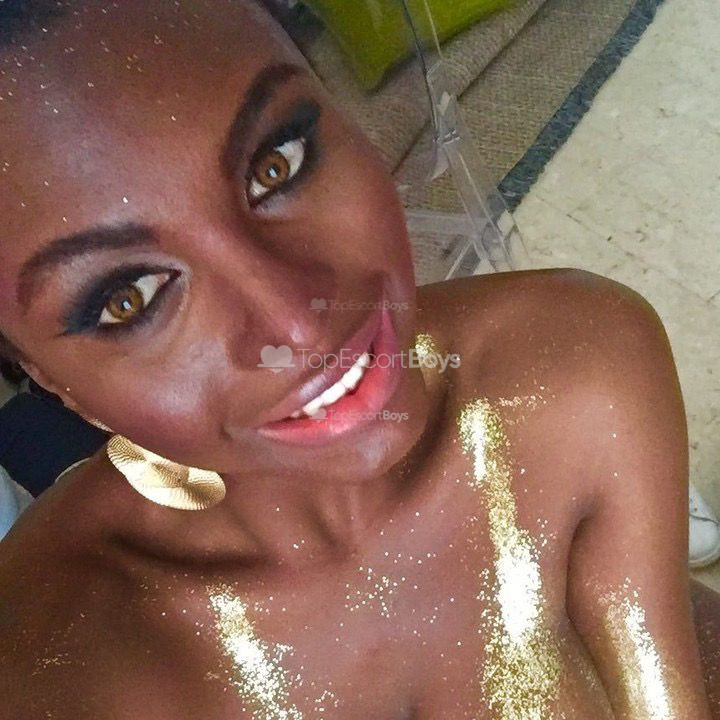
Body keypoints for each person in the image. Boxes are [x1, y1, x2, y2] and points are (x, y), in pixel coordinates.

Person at [0, 2, 718, 718]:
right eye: (128, 298)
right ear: (53, 384)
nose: (298, 326)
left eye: (278, 163)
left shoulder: (572, 374)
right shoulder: (57, 667)